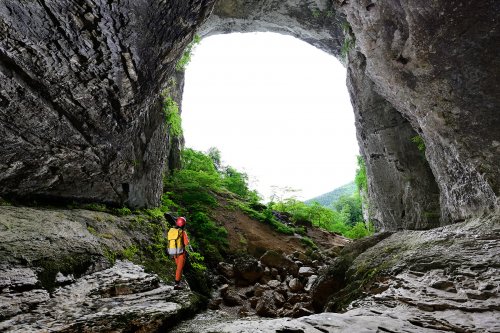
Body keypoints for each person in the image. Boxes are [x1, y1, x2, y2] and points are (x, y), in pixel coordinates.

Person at [167, 216, 190, 290]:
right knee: (179, 269)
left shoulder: (171, 230)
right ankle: (176, 285)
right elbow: (186, 243)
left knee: (178, 268)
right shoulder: (182, 232)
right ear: (184, 224)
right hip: (180, 253)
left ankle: (178, 282)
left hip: (174, 253)